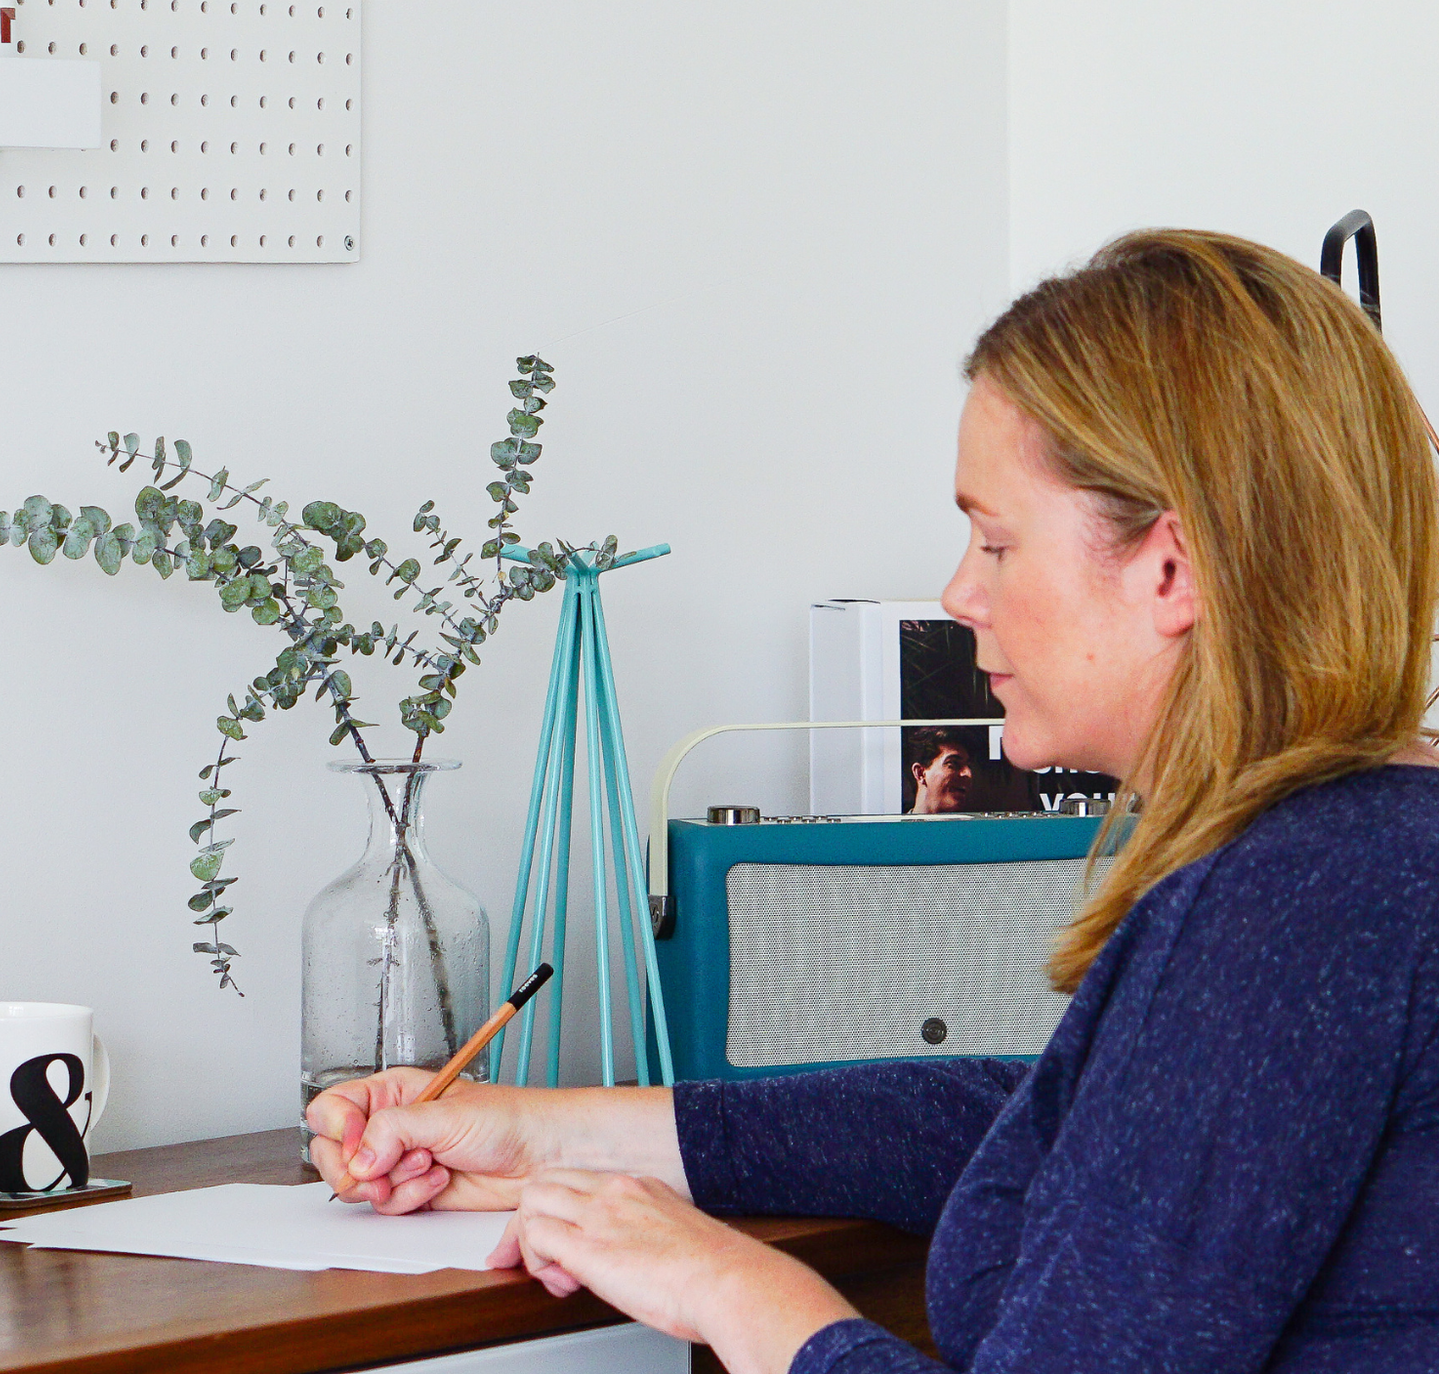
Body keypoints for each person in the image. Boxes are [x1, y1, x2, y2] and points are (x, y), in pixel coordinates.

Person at [307, 231, 1439, 1374]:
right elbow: (1038, 1123)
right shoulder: (1377, 842)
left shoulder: (1293, 899)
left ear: (1172, 570)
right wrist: (545, 1134)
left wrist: (739, 1295)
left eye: (995, 539)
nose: (960, 592)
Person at [902, 726, 976, 814]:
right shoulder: (893, 827)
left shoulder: (976, 827)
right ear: (920, 773)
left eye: (969, 766)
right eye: (953, 764)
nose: (968, 773)